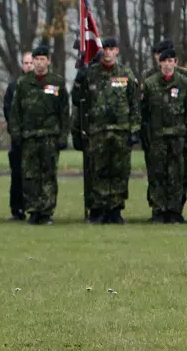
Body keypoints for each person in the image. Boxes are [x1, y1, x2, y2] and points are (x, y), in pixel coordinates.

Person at [72, 36, 138, 224]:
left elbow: (134, 104)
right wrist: (78, 80)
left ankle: (115, 210)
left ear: (117, 51)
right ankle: (99, 209)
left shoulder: (126, 73)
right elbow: (77, 100)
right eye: (105, 49)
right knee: (98, 170)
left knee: (120, 171)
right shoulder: (91, 73)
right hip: (97, 131)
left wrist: (135, 129)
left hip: (120, 131)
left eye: (111, 49)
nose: (108, 52)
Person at [7, 43, 70, 224]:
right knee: (30, 175)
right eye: (37, 59)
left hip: (50, 136)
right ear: (32, 61)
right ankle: (33, 210)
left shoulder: (57, 82)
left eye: (43, 59)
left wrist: (63, 136)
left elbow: (64, 112)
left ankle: (46, 211)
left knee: (48, 175)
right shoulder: (24, 83)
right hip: (29, 137)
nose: (40, 63)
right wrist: (16, 134)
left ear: (48, 61)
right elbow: (15, 111)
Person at [139, 40, 186, 224]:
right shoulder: (150, 84)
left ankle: (175, 211)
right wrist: (144, 135)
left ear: (175, 62)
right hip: (157, 137)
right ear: (159, 63)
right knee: (157, 175)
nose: (167, 64)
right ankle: (158, 211)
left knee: (177, 175)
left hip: (178, 137)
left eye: (171, 61)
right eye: (164, 61)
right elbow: (143, 112)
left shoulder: (184, 83)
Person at [2, 49, 34, 220]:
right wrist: (16, 131)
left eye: (31, 62)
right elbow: (8, 110)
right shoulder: (14, 87)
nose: (28, 66)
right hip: (19, 138)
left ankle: (35, 207)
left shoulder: (40, 85)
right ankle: (17, 209)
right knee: (17, 175)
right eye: (26, 63)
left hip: (35, 137)